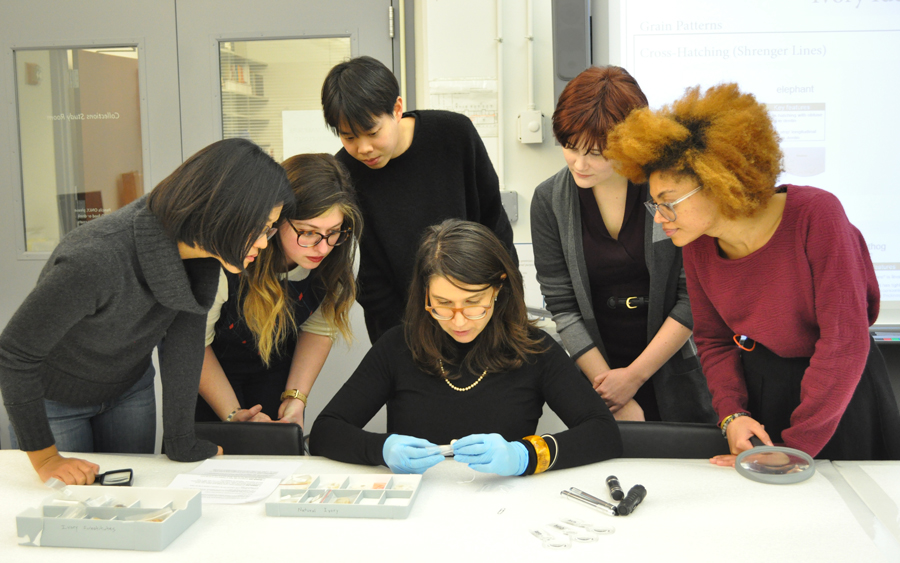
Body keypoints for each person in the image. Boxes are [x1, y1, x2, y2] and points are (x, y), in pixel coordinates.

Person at [603, 83, 900, 462]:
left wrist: (794, 450)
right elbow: (712, 340)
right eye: (654, 205)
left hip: (841, 395)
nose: (659, 218)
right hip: (764, 390)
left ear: (718, 182)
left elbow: (843, 342)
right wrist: (732, 414)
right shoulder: (696, 243)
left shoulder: (817, 216)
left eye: (668, 203)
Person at [0, 138, 292, 484]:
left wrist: (182, 441)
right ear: (222, 211)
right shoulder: (95, 259)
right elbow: (14, 354)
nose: (264, 242)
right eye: (260, 229)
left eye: (270, 229)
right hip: (55, 400)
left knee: (131, 499)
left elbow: (184, 345)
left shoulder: (203, 254)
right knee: (66, 510)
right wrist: (46, 458)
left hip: (129, 390)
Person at [309, 219, 621, 476]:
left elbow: (604, 434)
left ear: (498, 289)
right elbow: (325, 432)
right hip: (419, 506)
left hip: (506, 505)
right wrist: (381, 449)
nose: (459, 321)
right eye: (443, 304)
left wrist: (525, 455)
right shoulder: (397, 346)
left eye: (473, 303)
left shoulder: (534, 350)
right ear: (425, 295)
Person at [531, 66, 714, 423]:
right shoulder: (550, 200)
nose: (579, 164)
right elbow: (562, 305)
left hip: (671, 362)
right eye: (570, 146)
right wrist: (610, 391)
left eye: (597, 153)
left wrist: (635, 377)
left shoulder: (668, 189)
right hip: (597, 368)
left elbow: (692, 295)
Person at [321, 55, 516, 344]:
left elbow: (493, 223)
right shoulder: (344, 174)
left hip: (478, 316)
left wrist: (502, 304)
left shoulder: (453, 134)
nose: (364, 148)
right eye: (348, 138)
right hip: (400, 331)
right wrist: (409, 335)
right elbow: (362, 271)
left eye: (373, 132)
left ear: (397, 109)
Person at [196, 153, 362, 427]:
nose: (323, 248)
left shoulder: (335, 255)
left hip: (275, 372)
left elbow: (319, 329)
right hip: (208, 374)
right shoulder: (230, 261)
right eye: (308, 232)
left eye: (334, 231)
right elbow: (194, 346)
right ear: (275, 219)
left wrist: (296, 398)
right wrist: (233, 414)